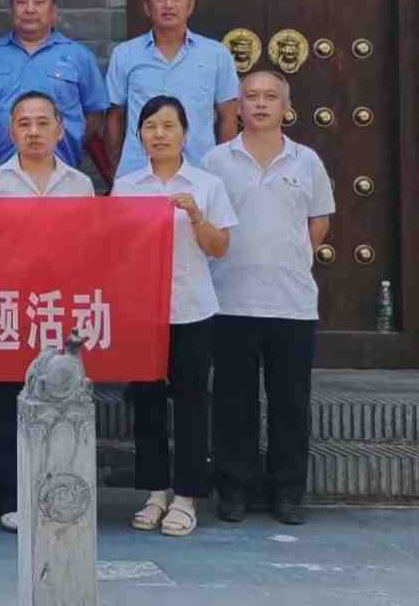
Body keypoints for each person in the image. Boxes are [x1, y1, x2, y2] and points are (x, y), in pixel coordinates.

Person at [202, 71, 334, 526]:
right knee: (232, 403)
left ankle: (288, 492)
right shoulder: (216, 161)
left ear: (286, 107)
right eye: (251, 97)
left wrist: (290, 256)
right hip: (230, 300)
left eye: (270, 97)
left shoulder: (307, 161)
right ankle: (233, 490)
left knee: (290, 404)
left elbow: (318, 222)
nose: (260, 104)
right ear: (237, 107)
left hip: (291, 303)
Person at [0, 90, 96, 532]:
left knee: (62, 399)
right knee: (8, 404)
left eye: (43, 123)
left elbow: (89, 248)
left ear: (60, 130)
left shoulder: (79, 185)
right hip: (9, 308)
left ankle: (58, 490)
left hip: (61, 307)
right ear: (11, 132)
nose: (34, 131)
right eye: (24, 123)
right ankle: (7, 495)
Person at [113, 95, 237, 537]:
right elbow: (115, 249)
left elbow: (220, 247)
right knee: (146, 404)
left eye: (169, 126)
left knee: (190, 403)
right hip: (143, 312)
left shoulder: (206, 184)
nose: (159, 134)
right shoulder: (127, 186)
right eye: (150, 126)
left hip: (192, 308)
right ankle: (155, 492)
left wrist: (196, 216)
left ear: (186, 133)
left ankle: (186, 495)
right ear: (139, 135)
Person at [105, 0, 240, 176]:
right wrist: (116, 166)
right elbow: (114, 116)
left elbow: (228, 117)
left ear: (190, 6)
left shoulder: (216, 54)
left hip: (199, 172)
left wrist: (223, 172)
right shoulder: (125, 54)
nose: (168, 5)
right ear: (147, 7)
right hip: (137, 173)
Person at [0, 0, 108, 169]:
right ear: (12, 8)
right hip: (0, 173)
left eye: (38, 2)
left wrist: (71, 142)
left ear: (53, 10)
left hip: (62, 172)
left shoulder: (79, 56)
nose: (30, 9)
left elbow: (95, 114)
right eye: (22, 2)